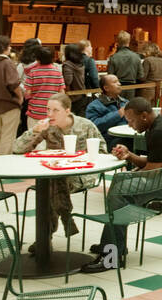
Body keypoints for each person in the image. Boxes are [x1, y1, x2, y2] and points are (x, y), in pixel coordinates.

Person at [84, 98, 162, 272]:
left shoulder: (160, 131)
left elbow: (153, 170)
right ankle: (114, 245)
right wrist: (129, 155)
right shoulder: (155, 127)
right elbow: (154, 162)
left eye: (131, 120)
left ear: (144, 116)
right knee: (120, 190)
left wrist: (128, 177)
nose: (130, 125)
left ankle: (112, 255)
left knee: (119, 192)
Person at [13, 93, 103, 246]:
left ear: (67, 111)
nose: (50, 114)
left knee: (50, 183)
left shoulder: (85, 125)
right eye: (48, 110)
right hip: (56, 175)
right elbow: (18, 149)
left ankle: (45, 237)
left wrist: (83, 158)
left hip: (82, 174)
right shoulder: (47, 127)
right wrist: (34, 131)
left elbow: (102, 150)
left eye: (55, 110)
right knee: (53, 180)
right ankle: (65, 216)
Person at [85, 74, 128, 148]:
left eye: (118, 81)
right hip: (109, 140)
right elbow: (94, 126)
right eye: (115, 82)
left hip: (128, 136)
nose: (119, 84)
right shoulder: (94, 106)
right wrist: (118, 114)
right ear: (106, 88)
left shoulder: (126, 102)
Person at [61, 42, 89, 115]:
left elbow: (68, 81)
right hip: (82, 94)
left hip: (72, 97)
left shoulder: (68, 65)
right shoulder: (81, 64)